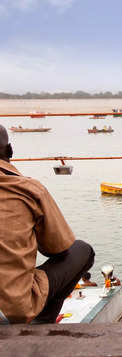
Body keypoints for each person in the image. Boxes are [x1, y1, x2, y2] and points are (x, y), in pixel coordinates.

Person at [0, 124, 95, 323]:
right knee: (83, 250)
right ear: (10, 150)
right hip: (13, 307)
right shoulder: (27, 189)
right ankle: (41, 322)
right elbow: (58, 250)